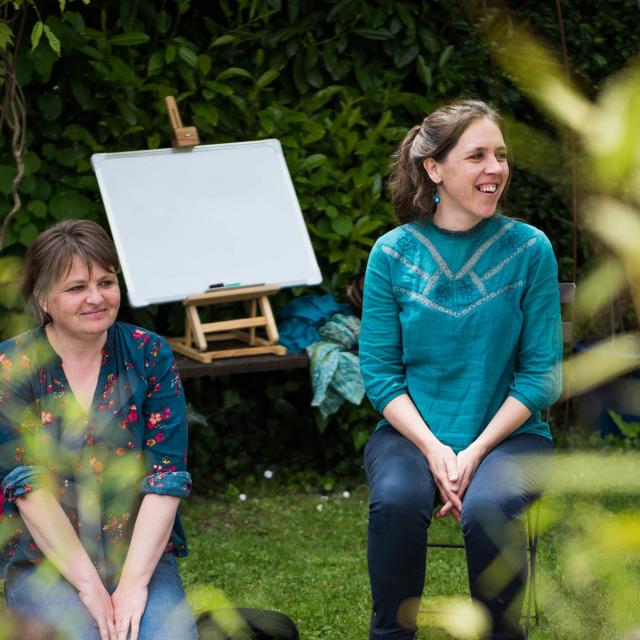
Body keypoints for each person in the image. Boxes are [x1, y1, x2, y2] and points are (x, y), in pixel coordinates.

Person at [359, 99, 562, 640]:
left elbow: (541, 376)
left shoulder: (530, 249)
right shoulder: (392, 254)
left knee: (489, 506)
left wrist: (472, 452)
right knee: (398, 500)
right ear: (435, 169)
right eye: (476, 156)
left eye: (500, 155)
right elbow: (379, 374)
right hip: (409, 435)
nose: (495, 169)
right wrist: (433, 447)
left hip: (512, 436)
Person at [0, 220, 198, 640]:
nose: (96, 298)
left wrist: (132, 585)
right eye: (75, 288)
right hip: (47, 562)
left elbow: (166, 478)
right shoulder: (12, 367)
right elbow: (28, 487)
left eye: (106, 282)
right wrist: (90, 587)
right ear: (43, 298)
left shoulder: (149, 354)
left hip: (138, 555)